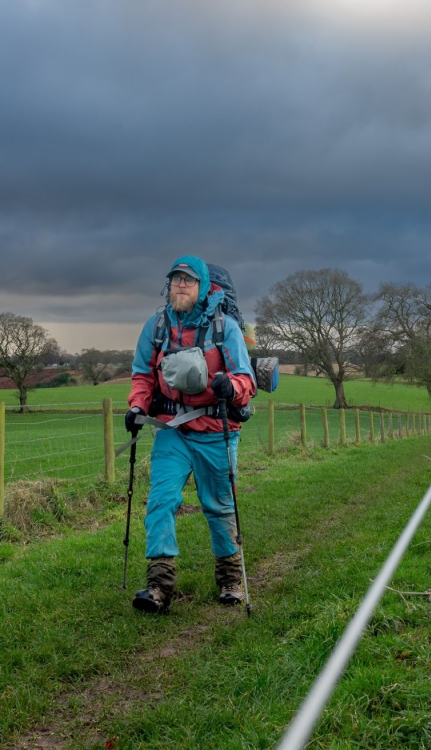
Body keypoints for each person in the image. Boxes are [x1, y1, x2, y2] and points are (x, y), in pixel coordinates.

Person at [125, 255, 256, 614]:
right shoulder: (156, 327)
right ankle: (158, 586)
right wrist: (137, 406)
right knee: (161, 501)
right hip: (172, 430)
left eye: (188, 280)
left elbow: (248, 380)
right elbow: (142, 375)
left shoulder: (224, 328)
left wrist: (230, 385)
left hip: (217, 430)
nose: (180, 285)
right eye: (175, 280)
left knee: (218, 506)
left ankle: (230, 579)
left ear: (201, 288)